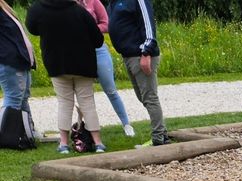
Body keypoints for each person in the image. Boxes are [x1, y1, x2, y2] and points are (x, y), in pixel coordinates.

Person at [26, 0, 106, 154]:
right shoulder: (80, 11)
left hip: (56, 63)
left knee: (64, 103)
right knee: (87, 102)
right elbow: (98, 40)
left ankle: (63, 143)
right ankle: (98, 143)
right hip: (83, 64)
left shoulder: (37, 9)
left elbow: (32, 29)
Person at [107, 0, 168, 145]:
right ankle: (163, 133)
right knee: (142, 97)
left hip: (141, 55)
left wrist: (146, 52)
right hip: (128, 56)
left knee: (149, 97)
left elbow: (148, 26)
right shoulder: (113, 3)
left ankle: (158, 138)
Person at [80, 0, 134, 136]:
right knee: (84, 94)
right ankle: (88, 129)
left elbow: (106, 24)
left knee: (110, 90)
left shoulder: (94, 2)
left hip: (98, 50)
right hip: (80, 53)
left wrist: (89, 29)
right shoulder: (70, 4)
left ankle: (126, 124)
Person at [0, 0, 37, 141]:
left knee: (23, 97)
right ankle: (8, 135)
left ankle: (27, 132)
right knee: (14, 98)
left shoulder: (5, 8)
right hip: (10, 61)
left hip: (21, 60)